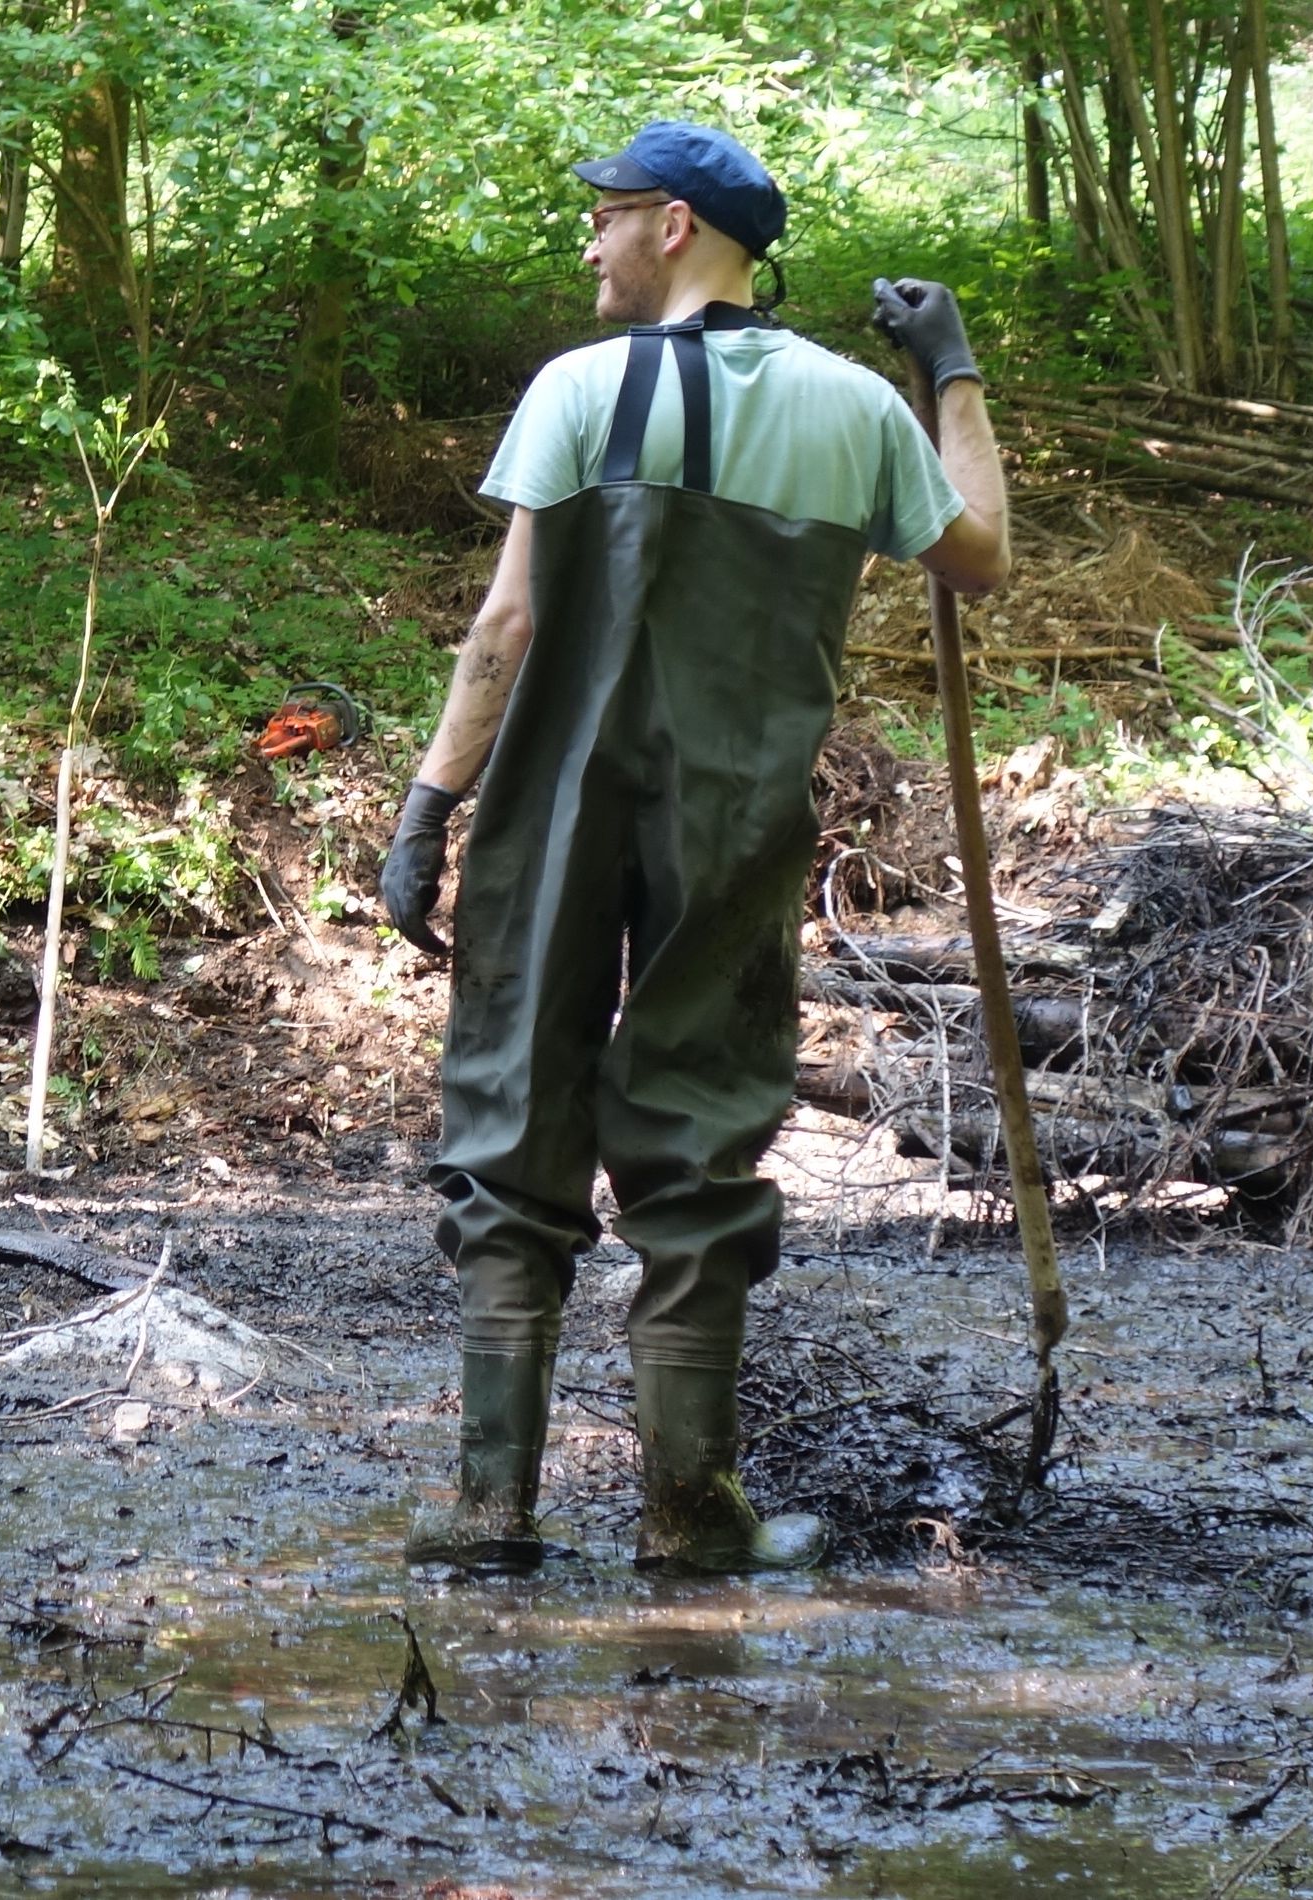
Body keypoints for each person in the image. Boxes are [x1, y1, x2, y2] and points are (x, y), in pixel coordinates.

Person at [378, 121, 1010, 1576]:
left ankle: (490, 1510)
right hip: (733, 820)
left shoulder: (577, 392)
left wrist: (431, 804)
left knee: (510, 1114)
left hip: (552, 810)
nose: (588, 243)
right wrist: (952, 370)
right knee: (700, 1134)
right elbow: (981, 554)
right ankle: (684, 1514)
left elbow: (511, 626)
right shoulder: (855, 409)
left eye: (602, 217)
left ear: (671, 227)